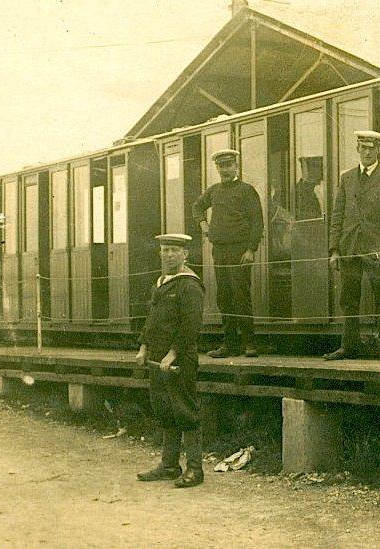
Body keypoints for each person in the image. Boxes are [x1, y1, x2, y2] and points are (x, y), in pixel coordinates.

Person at [324, 130, 380, 361]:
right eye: (363, 148)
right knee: (348, 300)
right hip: (350, 248)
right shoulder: (347, 178)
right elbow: (337, 215)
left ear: (378, 150)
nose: (367, 152)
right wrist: (334, 250)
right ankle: (348, 346)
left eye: (372, 148)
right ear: (357, 149)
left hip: (379, 249)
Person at [135, 233, 205, 488]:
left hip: (179, 359)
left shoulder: (189, 285)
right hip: (157, 357)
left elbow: (191, 326)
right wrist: (144, 347)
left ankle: (195, 469)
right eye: (164, 250)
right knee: (165, 410)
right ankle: (169, 465)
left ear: (185, 254)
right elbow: (151, 319)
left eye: (174, 250)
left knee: (185, 409)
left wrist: (173, 353)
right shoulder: (162, 282)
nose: (168, 255)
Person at [191, 149, 264, 358]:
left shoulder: (246, 190)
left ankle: (250, 344)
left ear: (236, 167)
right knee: (224, 297)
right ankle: (229, 344)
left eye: (228, 165)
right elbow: (197, 207)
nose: (224, 170)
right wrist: (203, 224)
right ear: (217, 169)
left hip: (240, 250)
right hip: (220, 251)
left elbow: (257, 221)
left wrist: (251, 249)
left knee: (241, 296)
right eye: (221, 166)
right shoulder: (214, 191)